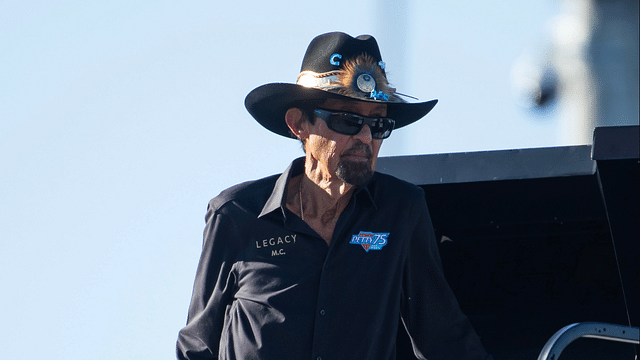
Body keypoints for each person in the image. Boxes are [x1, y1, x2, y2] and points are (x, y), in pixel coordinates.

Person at [176, 32, 492, 360]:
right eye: (348, 121)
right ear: (298, 124)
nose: (366, 137)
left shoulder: (400, 211)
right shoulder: (235, 214)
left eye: (379, 124)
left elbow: (442, 337)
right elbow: (198, 346)